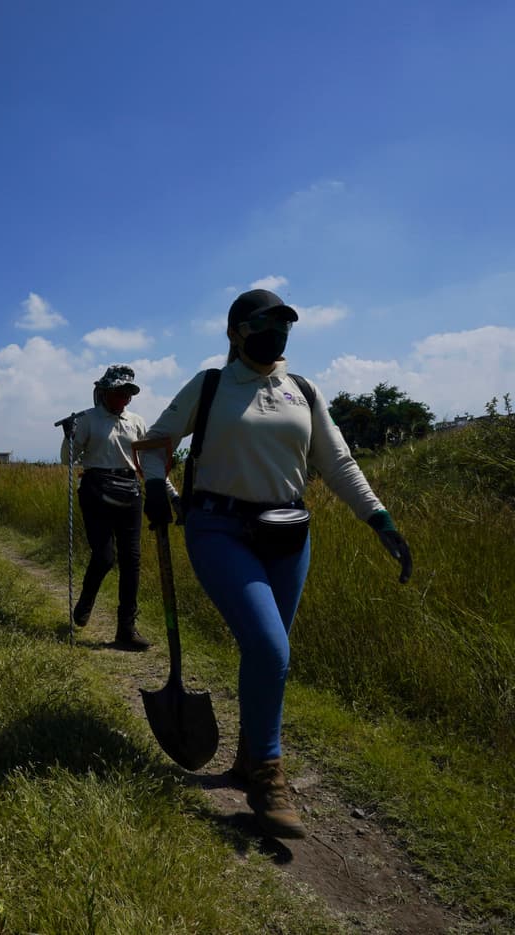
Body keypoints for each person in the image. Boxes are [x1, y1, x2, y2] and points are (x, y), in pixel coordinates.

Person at [138, 288, 412, 839]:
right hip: (218, 528)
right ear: (236, 332)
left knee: (270, 655)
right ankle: (267, 776)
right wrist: (156, 486)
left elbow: (337, 461)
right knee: (270, 647)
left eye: (285, 323)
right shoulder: (210, 385)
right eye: (265, 322)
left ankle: (247, 757)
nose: (277, 332)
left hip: (288, 533)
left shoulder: (302, 390)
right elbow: (157, 443)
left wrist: (378, 517)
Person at [60, 364, 177, 650]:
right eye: (119, 392)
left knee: (131, 560)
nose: (125, 398)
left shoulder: (136, 422)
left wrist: (172, 495)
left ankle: (126, 629)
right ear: (104, 392)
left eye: (128, 393)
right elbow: (68, 459)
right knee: (104, 557)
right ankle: (86, 600)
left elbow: (149, 461)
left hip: (130, 493)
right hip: (96, 491)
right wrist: (69, 436)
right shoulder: (86, 420)